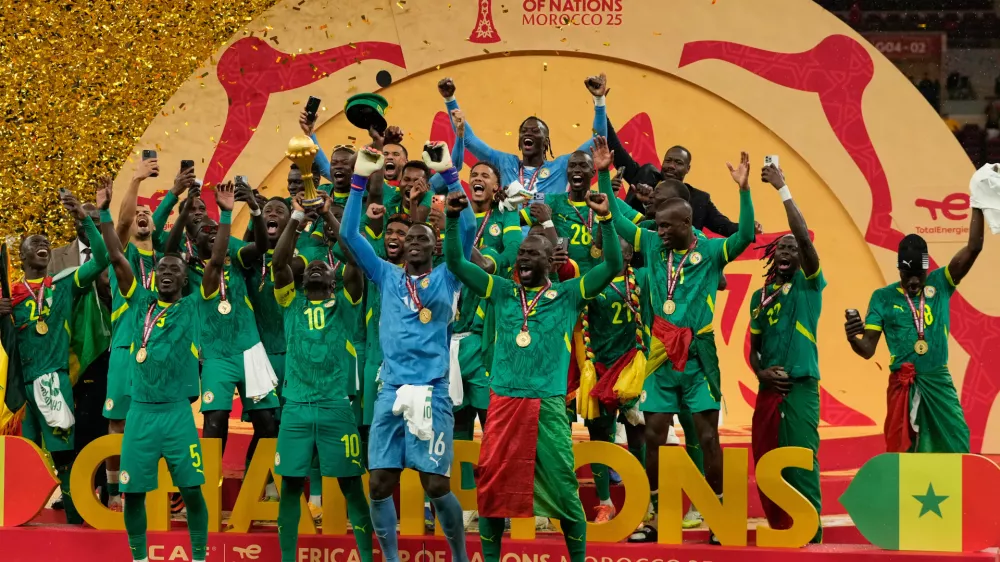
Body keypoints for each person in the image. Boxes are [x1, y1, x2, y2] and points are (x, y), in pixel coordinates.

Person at [444, 135, 622, 562]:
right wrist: (451, 222)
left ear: (550, 259)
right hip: (504, 402)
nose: (523, 258)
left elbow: (614, 265)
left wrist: (607, 220)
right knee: (492, 492)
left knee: (564, 492)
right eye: (521, 253)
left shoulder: (568, 294)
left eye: (531, 254)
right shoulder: (501, 290)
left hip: (548, 406)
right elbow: (455, 263)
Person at [612, 151, 756, 543]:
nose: (658, 232)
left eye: (665, 226)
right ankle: (657, 515)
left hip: (697, 359)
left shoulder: (709, 253)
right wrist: (604, 182)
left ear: (687, 224)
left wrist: (744, 191)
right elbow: (622, 224)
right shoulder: (654, 247)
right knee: (654, 435)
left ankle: (719, 514)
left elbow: (745, 236)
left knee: (707, 437)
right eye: (657, 225)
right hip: (661, 359)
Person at [340, 143, 474, 562]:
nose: (413, 242)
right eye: (409, 238)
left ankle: (460, 557)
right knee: (379, 482)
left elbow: (468, 229)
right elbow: (349, 235)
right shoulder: (386, 274)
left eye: (422, 238)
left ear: (435, 247)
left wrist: (450, 173)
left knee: (436, 485)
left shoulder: (449, 276)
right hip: (391, 390)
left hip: (432, 391)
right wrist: (358, 180)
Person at [97, 178, 208, 562]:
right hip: (140, 414)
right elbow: (116, 256)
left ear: (184, 278)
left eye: (174, 268)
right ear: (154, 275)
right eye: (161, 268)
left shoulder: (192, 306)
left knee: (192, 491)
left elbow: (211, 265)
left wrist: (222, 214)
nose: (167, 272)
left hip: (177, 414)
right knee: (133, 494)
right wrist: (104, 212)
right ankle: (140, 558)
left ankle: (200, 557)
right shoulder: (139, 300)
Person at [271, 192, 374, 562]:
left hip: (336, 408)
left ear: (335, 279)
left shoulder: (346, 304)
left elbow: (355, 259)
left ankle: (367, 557)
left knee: (352, 488)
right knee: (289, 487)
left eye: (323, 267)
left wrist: (330, 216)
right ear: (301, 281)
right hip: (296, 409)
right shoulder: (289, 303)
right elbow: (279, 262)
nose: (316, 267)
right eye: (310, 267)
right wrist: (296, 216)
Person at [0, 191, 108, 524]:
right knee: (24, 460)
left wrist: (85, 219)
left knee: (63, 458)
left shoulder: (63, 284)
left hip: (52, 382)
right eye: (35, 243)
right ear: (22, 255)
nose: (43, 245)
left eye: (46, 242)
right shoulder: (10, 295)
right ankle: (19, 520)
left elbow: (101, 260)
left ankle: (77, 521)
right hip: (19, 392)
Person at [844, 207, 984, 453]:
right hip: (902, 385)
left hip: (937, 381)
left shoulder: (941, 282)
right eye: (907, 275)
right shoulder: (883, 297)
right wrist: (852, 337)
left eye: (919, 274)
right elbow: (867, 349)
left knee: (957, 442)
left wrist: (978, 204)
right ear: (899, 269)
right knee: (903, 450)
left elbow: (974, 247)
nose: (914, 281)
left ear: (927, 269)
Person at [170, 181, 280, 482]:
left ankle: (262, 485)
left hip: (249, 348)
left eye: (215, 228)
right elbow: (213, 259)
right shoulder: (190, 271)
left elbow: (261, 246)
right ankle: (209, 485)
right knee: (215, 422)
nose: (210, 230)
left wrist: (254, 209)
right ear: (192, 239)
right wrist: (227, 214)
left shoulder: (235, 259)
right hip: (216, 354)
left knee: (267, 424)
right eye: (203, 229)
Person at [99, 159, 185, 511]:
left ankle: (160, 490)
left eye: (148, 212)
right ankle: (114, 492)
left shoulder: (166, 263)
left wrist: (175, 193)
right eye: (138, 212)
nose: (142, 215)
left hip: (162, 353)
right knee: (118, 421)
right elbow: (120, 223)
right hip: (125, 347)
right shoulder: (125, 255)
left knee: (161, 421)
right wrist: (135, 179)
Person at [748, 164, 824, 543]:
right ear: (772, 254)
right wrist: (761, 373)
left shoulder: (810, 286)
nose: (789, 251)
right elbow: (754, 350)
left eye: (794, 248)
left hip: (801, 386)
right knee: (766, 459)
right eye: (783, 247)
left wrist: (783, 190)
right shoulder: (759, 297)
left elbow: (805, 241)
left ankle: (812, 536)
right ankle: (783, 532)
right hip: (768, 390)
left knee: (801, 460)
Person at [437, 74, 609, 195]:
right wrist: (450, 99)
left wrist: (600, 102)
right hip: (509, 235)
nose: (528, 133)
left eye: (535, 131)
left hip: (547, 235)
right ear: (519, 141)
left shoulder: (562, 165)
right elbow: (468, 139)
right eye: (524, 131)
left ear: (546, 142)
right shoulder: (504, 162)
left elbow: (599, 142)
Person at [605, 119, 761, 237]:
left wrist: (748, 226)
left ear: (688, 169)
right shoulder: (645, 176)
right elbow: (616, 150)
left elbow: (724, 226)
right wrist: (600, 104)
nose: (671, 166)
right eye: (668, 161)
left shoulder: (700, 200)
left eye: (678, 163)